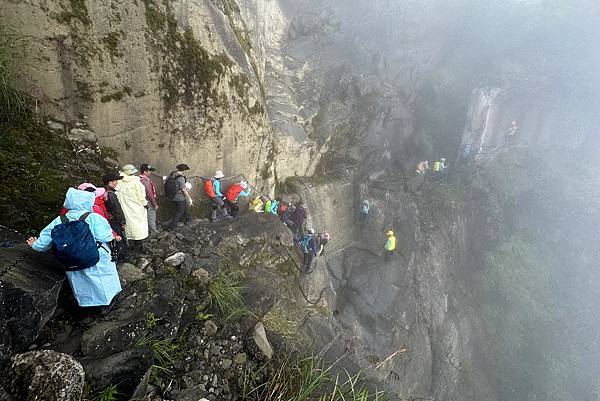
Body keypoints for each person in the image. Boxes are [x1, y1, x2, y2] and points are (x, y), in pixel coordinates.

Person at [26, 188, 122, 310]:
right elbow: (105, 236)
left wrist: (34, 244)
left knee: (82, 282)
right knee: (103, 280)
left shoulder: (59, 220)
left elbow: (44, 242)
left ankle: (88, 306)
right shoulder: (94, 218)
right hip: (96, 256)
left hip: (71, 259)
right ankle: (107, 303)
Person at [116, 164, 148, 247]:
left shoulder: (119, 181)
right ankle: (139, 243)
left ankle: (129, 243)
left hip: (123, 207)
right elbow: (141, 195)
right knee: (138, 224)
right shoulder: (135, 182)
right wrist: (145, 204)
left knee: (128, 225)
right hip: (136, 207)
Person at [103, 173, 127, 261]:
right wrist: (122, 222)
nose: (116, 183)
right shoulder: (111, 195)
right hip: (114, 221)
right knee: (119, 239)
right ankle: (121, 257)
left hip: (108, 219)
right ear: (110, 183)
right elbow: (117, 210)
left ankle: (115, 256)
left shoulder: (103, 193)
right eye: (115, 181)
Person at [166, 164, 194, 228]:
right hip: (179, 197)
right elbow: (184, 189)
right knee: (179, 211)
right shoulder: (181, 178)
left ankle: (187, 219)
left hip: (172, 195)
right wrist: (189, 198)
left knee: (185, 207)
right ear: (184, 170)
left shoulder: (172, 173)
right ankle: (172, 226)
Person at [139, 163, 159, 234]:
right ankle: (154, 232)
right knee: (151, 216)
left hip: (141, 201)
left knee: (144, 217)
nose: (150, 172)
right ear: (145, 172)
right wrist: (155, 204)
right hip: (147, 201)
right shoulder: (145, 181)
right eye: (149, 171)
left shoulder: (138, 179)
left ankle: (146, 231)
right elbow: (149, 194)